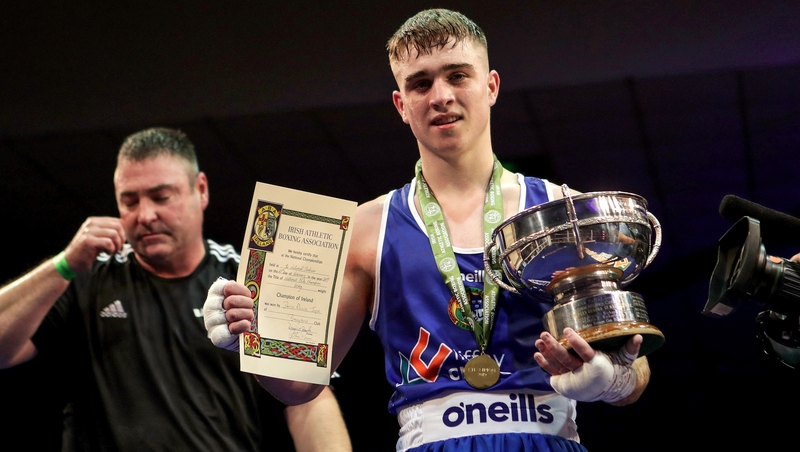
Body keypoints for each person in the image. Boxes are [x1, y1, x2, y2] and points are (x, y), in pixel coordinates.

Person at [205, 9, 650, 452]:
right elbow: (299, 386)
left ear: (491, 86)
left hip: (547, 438)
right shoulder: (365, 228)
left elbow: (635, 371)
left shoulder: (562, 211)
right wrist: (248, 333)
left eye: (458, 76)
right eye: (421, 83)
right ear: (401, 104)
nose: (441, 96)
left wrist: (611, 380)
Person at [0, 127, 352, 452]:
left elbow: (309, 400)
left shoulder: (246, 280)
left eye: (160, 196)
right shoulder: (87, 276)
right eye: (130, 201)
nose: (145, 215)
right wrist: (62, 265)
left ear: (201, 190)